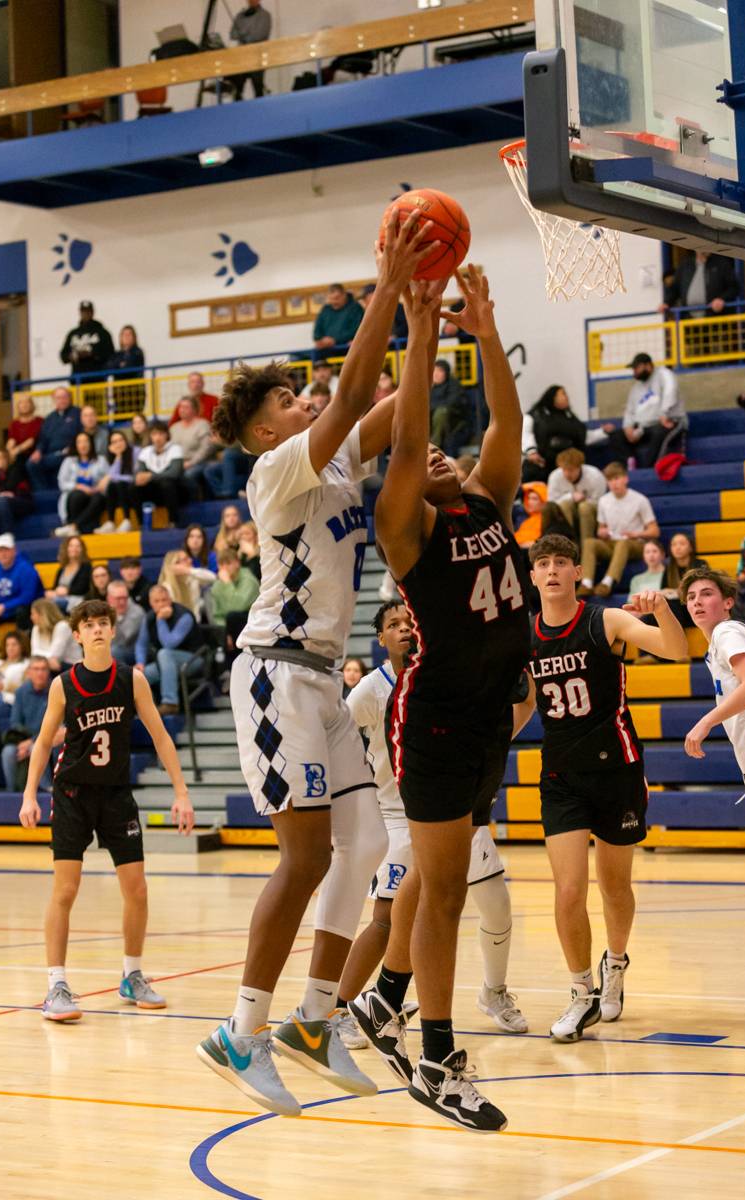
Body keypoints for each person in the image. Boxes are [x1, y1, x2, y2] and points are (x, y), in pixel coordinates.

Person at [196, 210, 430, 1118]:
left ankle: (313, 1019)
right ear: (262, 434)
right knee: (302, 858)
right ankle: (241, 1032)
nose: (301, 399)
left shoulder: (335, 471)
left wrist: (423, 319)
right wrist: (386, 288)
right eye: (284, 401)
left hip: (325, 676)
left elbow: (394, 407)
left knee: (367, 844)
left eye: (300, 394)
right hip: (275, 672)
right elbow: (348, 400)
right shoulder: (277, 473)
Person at [349, 266, 530, 1134]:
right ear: (405, 483)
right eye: (419, 459)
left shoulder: (489, 498)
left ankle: (382, 998)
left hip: (489, 710)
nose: (437, 454)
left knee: (437, 864)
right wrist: (421, 336)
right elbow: (410, 434)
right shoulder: (408, 530)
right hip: (437, 719)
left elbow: (507, 421)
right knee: (449, 888)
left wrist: (485, 332)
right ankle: (437, 1058)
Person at [338, 603, 532, 1051]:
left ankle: (492, 993)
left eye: (409, 622)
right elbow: (340, 743)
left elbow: (515, 706)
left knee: (497, 906)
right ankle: (340, 1007)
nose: (404, 629)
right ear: (381, 639)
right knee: (389, 920)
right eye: (393, 625)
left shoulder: (447, 675)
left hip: (456, 807)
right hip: (397, 816)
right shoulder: (370, 689)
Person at [528, 533, 687, 1041]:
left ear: (577, 572)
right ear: (532, 576)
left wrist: (660, 608)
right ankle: (581, 994)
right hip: (560, 776)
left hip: (617, 769)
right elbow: (521, 705)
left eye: (561, 562)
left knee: (615, 885)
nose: (552, 570)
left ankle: (614, 963)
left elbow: (676, 650)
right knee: (569, 889)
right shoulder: (523, 636)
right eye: (543, 563)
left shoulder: (605, 620)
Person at [19, 599, 194, 1021]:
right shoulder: (64, 684)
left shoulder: (132, 680)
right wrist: (29, 795)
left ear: (113, 632)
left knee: (137, 889)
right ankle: (56, 985)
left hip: (116, 794)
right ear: (76, 635)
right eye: (89, 625)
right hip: (73, 794)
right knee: (66, 890)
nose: (97, 630)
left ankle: (132, 975)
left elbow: (161, 737)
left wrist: (181, 792)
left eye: (103, 623)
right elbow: (43, 743)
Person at [682, 567, 745, 911]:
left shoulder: (727, 631)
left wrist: (705, 722)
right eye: (691, 597)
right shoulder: (715, 647)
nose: (697, 602)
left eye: (706, 593)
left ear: (727, 602)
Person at [579, 463, 660, 597]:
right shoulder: (604, 501)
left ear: (625, 479)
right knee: (589, 542)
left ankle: (607, 582)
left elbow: (654, 531)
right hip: (612, 542)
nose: (614, 483)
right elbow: (601, 528)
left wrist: (636, 534)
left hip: (635, 543)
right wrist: (602, 532)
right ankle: (586, 583)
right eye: (610, 480)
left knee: (623, 543)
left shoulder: (640, 500)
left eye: (616, 478)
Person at [603, 354, 686, 469]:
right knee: (616, 436)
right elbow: (630, 411)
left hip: (666, 422)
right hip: (643, 428)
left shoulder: (664, 374)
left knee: (659, 433)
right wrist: (628, 427)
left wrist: (665, 413)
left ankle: (649, 470)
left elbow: (670, 392)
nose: (634, 372)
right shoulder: (636, 388)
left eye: (637, 368)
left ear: (648, 366)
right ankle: (630, 464)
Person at [135, 583, 204, 715]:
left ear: (170, 600)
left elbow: (169, 644)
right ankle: (144, 709)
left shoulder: (184, 616)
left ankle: (170, 703)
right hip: (166, 664)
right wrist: (140, 663)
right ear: (151, 603)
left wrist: (160, 620)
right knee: (138, 676)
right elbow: (141, 644)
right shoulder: (149, 617)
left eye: (164, 600)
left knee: (165, 653)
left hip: (193, 660)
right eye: (157, 601)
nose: (161, 604)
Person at [2, 656, 63, 791]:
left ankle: (47, 789)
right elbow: (15, 722)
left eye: (43, 669)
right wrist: (23, 743)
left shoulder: (57, 689)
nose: (40, 673)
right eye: (36, 669)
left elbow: (59, 726)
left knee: (39, 746)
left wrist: (32, 741)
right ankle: (12, 794)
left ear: (48, 672)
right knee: (8, 752)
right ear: (28, 672)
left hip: (49, 737)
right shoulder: (21, 692)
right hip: (24, 739)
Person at [521, 385, 587, 483]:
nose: (566, 397)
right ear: (552, 397)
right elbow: (526, 433)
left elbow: (583, 435)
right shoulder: (535, 415)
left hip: (566, 463)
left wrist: (603, 432)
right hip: (542, 462)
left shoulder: (569, 416)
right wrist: (531, 452)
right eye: (562, 394)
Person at [546, 448, 607, 546]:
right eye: (564, 470)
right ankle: (571, 543)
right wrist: (570, 496)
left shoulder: (595, 476)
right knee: (565, 503)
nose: (567, 474)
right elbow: (551, 502)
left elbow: (601, 502)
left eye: (571, 470)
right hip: (566, 511)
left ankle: (585, 545)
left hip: (591, 512)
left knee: (584, 507)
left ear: (580, 467)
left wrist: (585, 501)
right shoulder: (555, 476)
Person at [0, 533, 43, 631]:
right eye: (0, 551)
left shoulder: (26, 568)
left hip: (22, 609)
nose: (3, 554)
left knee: (22, 610)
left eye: (6, 550)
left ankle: (24, 639)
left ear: (14, 551)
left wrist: (3, 607)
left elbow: (27, 597)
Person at [54, 432, 110, 537]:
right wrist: (79, 486)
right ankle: (77, 527)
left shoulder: (101, 460)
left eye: (86, 441)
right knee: (77, 495)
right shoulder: (68, 461)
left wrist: (98, 487)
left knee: (97, 498)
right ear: (75, 445)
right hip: (76, 497)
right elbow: (62, 483)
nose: (83, 445)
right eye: (79, 442)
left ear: (91, 443)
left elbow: (109, 479)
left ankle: (73, 527)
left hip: (95, 495)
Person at [131, 420, 184, 528]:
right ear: (150, 436)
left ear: (167, 435)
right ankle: (141, 524)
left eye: (161, 434)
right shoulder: (145, 451)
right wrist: (138, 477)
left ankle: (173, 521)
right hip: (154, 492)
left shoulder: (175, 449)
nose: (158, 437)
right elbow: (139, 473)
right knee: (134, 487)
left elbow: (174, 473)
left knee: (167, 483)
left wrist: (151, 476)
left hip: (176, 490)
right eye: (154, 434)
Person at [27, 387, 81, 489]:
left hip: (69, 453)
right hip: (50, 454)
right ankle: (44, 495)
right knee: (31, 464)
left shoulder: (78, 413)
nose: (62, 400)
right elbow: (43, 439)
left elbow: (82, 435)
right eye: (58, 398)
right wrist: (38, 451)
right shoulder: (49, 418)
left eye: (64, 397)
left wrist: (72, 448)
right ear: (54, 400)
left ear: (70, 398)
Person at [662, 250, 740, 316]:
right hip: (690, 320)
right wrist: (666, 303)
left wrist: (721, 299)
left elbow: (734, 287)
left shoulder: (721, 263)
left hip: (715, 318)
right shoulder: (685, 265)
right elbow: (674, 288)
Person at [169, 396, 216, 499]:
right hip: (178, 463)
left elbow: (206, 448)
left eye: (186, 407)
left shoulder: (202, 425)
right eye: (180, 407)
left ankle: (194, 502)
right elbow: (169, 449)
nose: (182, 410)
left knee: (188, 475)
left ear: (194, 409)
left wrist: (191, 462)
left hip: (199, 462)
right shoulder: (174, 428)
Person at [96, 428, 140, 534]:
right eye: (114, 442)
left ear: (126, 440)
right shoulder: (113, 457)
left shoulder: (136, 451)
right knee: (112, 486)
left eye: (120, 440)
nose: (118, 444)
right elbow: (112, 477)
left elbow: (133, 476)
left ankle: (127, 520)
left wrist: (113, 477)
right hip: (119, 492)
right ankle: (111, 522)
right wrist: (118, 457)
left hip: (135, 489)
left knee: (119, 483)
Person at [229, 0, 272, 100]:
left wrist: (243, 33)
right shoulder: (240, 16)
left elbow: (261, 34)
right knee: (237, 89)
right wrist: (248, 32)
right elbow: (232, 34)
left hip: (257, 55)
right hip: (241, 57)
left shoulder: (265, 15)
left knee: (258, 88)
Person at [59, 301, 114, 377]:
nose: (86, 314)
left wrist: (92, 354)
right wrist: (73, 356)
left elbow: (110, 354)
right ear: (80, 312)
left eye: (88, 311)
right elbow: (63, 356)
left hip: (96, 379)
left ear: (92, 312)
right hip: (77, 379)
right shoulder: (73, 333)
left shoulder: (102, 332)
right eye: (83, 311)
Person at [158, 548, 215, 619]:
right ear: (175, 565)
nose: (190, 560)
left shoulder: (193, 579)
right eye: (185, 559)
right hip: (176, 623)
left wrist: (188, 570)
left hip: (196, 623)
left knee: (209, 592)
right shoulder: (167, 587)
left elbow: (212, 578)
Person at [30, 597, 81, 672]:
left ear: (43, 614)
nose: (31, 617)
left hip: (71, 667)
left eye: (33, 614)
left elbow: (56, 655)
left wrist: (45, 656)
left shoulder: (62, 626)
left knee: (40, 668)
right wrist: (48, 657)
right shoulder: (36, 628)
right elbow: (34, 653)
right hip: (50, 665)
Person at [0, 629, 30, 705]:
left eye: (14, 644)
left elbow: (27, 688)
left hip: (7, 698)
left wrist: (4, 687)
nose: (10, 648)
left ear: (22, 646)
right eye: (8, 645)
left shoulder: (26, 664)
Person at [429, 358, 468, 450]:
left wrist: (433, 407)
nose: (436, 374)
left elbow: (452, 402)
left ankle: (435, 445)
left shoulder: (454, 384)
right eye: (434, 370)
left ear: (446, 372)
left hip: (453, 419)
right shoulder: (430, 386)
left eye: (440, 371)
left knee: (441, 412)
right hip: (434, 418)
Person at [313, 283, 364, 351]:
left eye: (337, 298)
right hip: (326, 348)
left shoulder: (355, 308)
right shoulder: (325, 309)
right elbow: (317, 331)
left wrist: (335, 340)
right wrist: (320, 340)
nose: (334, 302)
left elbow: (357, 329)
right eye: (331, 299)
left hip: (348, 347)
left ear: (344, 295)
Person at [46, 536, 92, 610]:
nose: (74, 549)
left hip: (76, 599)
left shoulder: (86, 566)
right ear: (66, 548)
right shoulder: (62, 567)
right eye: (71, 546)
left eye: (78, 546)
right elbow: (55, 586)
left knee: (52, 604)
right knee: (41, 601)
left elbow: (82, 588)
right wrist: (52, 592)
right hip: (60, 597)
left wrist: (66, 591)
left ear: (82, 549)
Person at [106, 580, 145, 666]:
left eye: (125, 598)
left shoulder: (137, 612)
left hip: (133, 651)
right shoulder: (104, 611)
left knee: (114, 651)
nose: (122, 602)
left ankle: (123, 678)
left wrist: (113, 617)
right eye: (118, 598)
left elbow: (123, 640)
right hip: (111, 649)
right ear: (109, 598)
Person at [6, 395, 43, 464]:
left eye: (27, 402)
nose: (24, 405)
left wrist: (15, 451)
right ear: (18, 406)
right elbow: (11, 440)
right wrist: (9, 450)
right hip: (19, 455)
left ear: (32, 405)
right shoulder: (14, 423)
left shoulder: (39, 421)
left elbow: (31, 441)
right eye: (21, 403)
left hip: (34, 453)